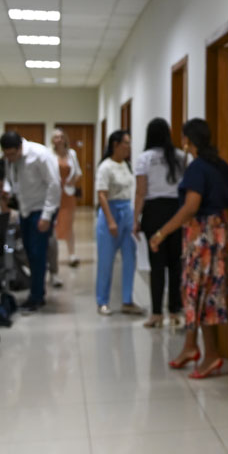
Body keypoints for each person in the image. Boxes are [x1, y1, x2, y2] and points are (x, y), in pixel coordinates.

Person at [150, 119, 228, 379]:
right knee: (200, 291)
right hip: (218, 232)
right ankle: (190, 346)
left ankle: (211, 354)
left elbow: (190, 207)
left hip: (202, 235)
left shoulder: (197, 168)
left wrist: (161, 233)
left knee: (200, 292)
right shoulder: (221, 165)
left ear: (188, 141)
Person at [0, 130, 61, 314]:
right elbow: (10, 178)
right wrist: (7, 189)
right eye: (6, 155)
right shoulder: (10, 159)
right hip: (25, 209)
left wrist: (47, 216)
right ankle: (37, 290)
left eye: (12, 154)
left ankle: (36, 297)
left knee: (37, 253)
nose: (10, 158)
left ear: (20, 147)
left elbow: (54, 184)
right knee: (29, 252)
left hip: (41, 209)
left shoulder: (39, 154)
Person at [134, 118, 186, 328]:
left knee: (156, 264)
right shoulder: (180, 156)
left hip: (153, 212)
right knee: (175, 264)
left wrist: (136, 219)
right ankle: (174, 311)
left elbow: (141, 192)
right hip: (177, 211)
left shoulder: (144, 159)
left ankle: (156, 314)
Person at [95, 130, 141, 316]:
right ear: (115, 145)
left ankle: (127, 300)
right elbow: (101, 195)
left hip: (127, 212)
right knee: (106, 261)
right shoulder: (105, 167)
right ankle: (102, 301)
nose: (129, 147)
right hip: (110, 213)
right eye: (126, 143)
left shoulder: (127, 165)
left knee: (130, 258)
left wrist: (134, 219)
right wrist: (111, 221)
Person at [50, 129, 82, 276]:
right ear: (53, 140)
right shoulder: (49, 154)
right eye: (56, 137)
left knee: (68, 224)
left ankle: (72, 255)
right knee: (54, 225)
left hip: (68, 193)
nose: (59, 139)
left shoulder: (72, 154)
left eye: (61, 137)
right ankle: (53, 256)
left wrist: (72, 181)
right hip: (54, 194)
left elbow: (78, 172)